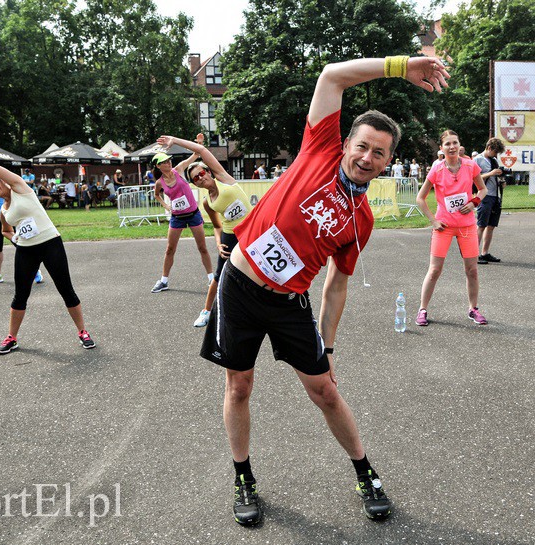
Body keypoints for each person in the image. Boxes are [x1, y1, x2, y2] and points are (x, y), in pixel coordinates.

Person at [199, 55, 449, 525]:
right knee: (239, 386)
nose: (366, 158)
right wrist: (402, 66)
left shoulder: (362, 220)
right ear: (346, 144)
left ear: (388, 163)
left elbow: (336, 285)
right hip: (238, 287)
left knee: (327, 392)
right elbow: (332, 75)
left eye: (378, 153)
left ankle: (366, 473)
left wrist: (328, 344)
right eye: (361, 146)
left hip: (290, 304)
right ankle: (243, 478)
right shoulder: (317, 150)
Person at [0, 161, 94, 354]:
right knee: (20, 295)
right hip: (26, 250)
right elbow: (5, 230)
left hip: (51, 243)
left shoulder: (20, 187)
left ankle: (83, 332)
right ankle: (12, 338)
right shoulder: (3, 210)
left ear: (3, 179)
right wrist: (15, 237)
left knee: (66, 289)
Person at [157, 134, 254, 328]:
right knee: (220, 275)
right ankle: (206, 311)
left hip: (252, 228)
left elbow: (201, 151)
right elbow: (218, 226)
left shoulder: (224, 179)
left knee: (259, 270)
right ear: (194, 185)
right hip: (230, 233)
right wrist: (218, 243)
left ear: (209, 172)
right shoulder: (207, 201)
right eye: (196, 179)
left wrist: (175, 141)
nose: (201, 178)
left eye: (202, 173)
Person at [415, 130, 488, 326]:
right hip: (443, 227)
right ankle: (422, 309)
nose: (452, 147)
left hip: (466, 226)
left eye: (454, 143)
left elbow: (483, 189)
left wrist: (473, 203)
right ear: (441, 148)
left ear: (459, 145)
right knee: (435, 270)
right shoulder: (437, 169)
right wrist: (433, 221)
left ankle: (473, 309)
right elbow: (420, 199)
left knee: (472, 270)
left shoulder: (470, 166)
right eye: (447, 144)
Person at [149, 150, 214, 293]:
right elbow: (156, 195)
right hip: (177, 218)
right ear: (158, 166)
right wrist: (166, 206)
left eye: (169, 160)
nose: (168, 162)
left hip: (193, 214)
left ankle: (211, 278)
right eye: (164, 162)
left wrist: (199, 145)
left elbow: (195, 156)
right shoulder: (159, 183)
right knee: (170, 250)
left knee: (202, 247)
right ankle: (164, 281)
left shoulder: (179, 169)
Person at [474, 137, 506, 264]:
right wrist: (490, 173)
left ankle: (484, 253)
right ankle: (473, 255)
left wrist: (501, 182)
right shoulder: (477, 159)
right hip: (484, 196)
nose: (496, 155)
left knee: (491, 226)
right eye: (495, 152)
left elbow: (495, 177)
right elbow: (472, 177)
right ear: (489, 148)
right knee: (481, 225)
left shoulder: (494, 160)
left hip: (495, 195)